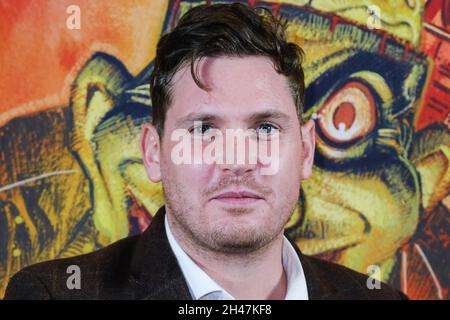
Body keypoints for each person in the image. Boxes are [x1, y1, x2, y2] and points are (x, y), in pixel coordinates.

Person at [4, 2, 407, 300]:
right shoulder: (51, 295)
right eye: (202, 129)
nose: (237, 159)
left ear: (304, 151)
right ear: (153, 153)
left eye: (265, 128)